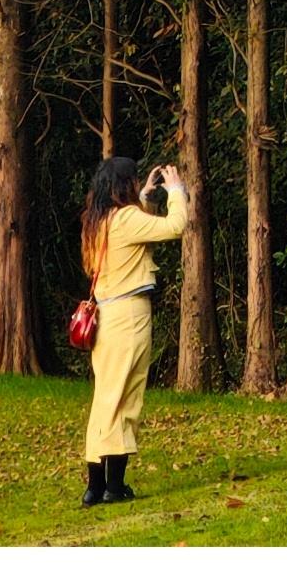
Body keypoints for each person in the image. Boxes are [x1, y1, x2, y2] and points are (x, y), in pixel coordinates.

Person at [79, 153, 190, 510]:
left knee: (105, 398)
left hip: (106, 318)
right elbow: (175, 226)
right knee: (125, 399)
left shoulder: (98, 221)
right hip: (128, 316)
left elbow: (132, 230)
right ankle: (113, 485)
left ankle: (95, 486)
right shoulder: (125, 219)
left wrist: (143, 197)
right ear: (123, 185)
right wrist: (175, 191)